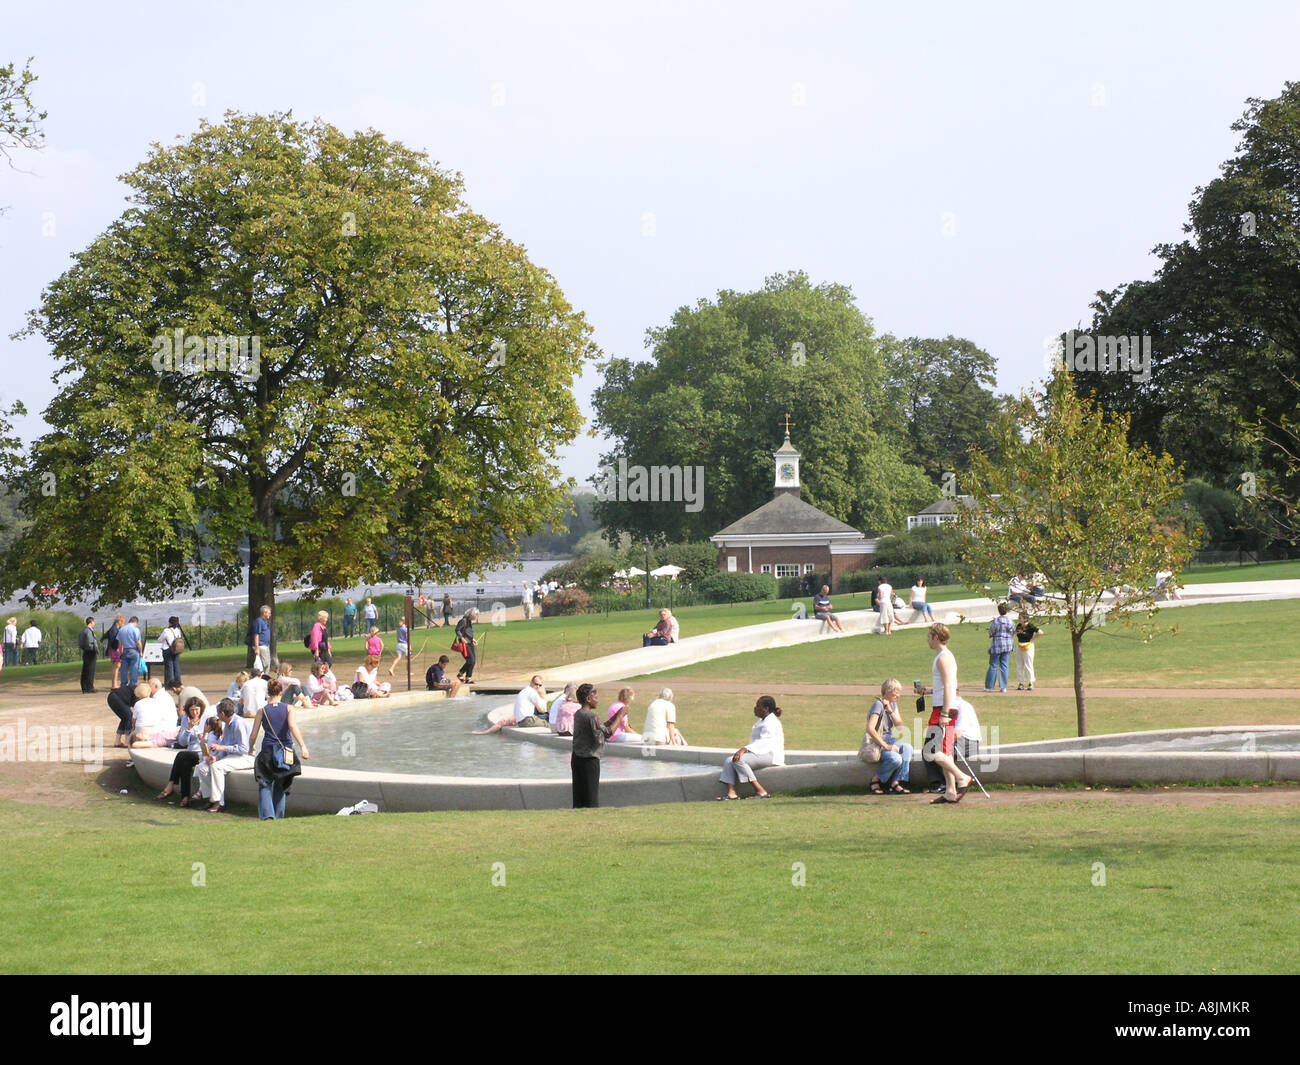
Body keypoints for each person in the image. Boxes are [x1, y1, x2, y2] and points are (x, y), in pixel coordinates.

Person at [919, 623, 973, 805]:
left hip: (944, 709)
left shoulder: (944, 658)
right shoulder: (943, 657)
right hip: (944, 707)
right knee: (945, 752)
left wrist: (945, 713)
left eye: (929, 636)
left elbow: (950, 686)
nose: (927, 639)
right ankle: (951, 791)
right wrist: (928, 691)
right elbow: (945, 687)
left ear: (935, 636)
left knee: (931, 751)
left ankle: (962, 777)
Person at [249, 679, 310, 820]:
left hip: (267, 752)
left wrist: (251, 748)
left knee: (265, 783)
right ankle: (278, 816)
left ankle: (268, 816)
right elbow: (292, 726)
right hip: (285, 752)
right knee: (281, 785)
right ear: (281, 692)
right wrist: (303, 746)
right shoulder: (289, 708)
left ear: (268, 693)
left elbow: (253, 735)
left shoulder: (262, 711)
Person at [571, 683, 627, 808]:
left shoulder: (578, 714)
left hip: (577, 758)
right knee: (591, 799)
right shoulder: (591, 716)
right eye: (595, 697)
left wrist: (615, 717)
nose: (598, 699)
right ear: (588, 699)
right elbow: (607, 733)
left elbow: (600, 726)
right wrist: (621, 715)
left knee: (579, 798)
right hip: (589, 761)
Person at [717, 696, 784, 799]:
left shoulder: (771, 722)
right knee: (729, 760)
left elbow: (764, 742)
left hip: (770, 755)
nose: (755, 708)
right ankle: (732, 794)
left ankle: (761, 792)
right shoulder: (762, 721)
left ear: (765, 709)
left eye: (758, 706)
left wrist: (744, 750)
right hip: (761, 753)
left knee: (738, 760)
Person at [197, 699, 254, 812]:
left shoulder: (238, 723)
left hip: (246, 757)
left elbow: (244, 748)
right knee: (202, 767)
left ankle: (219, 803)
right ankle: (211, 799)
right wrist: (217, 757)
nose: (217, 717)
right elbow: (224, 744)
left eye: (218, 714)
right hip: (233, 756)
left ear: (222, 714)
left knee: (216, 767)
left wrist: (222, 749)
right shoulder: (228, 725)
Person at [861, 679, 912, 795]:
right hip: (879, 743)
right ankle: (875, 780)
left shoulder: (893, 705)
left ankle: (896, 782)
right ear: (888, 691)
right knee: (895, 759)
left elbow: (900, 727)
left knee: (907, 748)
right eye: (896, 692)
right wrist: (886, 746)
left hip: (891, 740)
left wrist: (890, 711)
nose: (898, 695)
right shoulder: (878, 705)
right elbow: (870, 728)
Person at [156, 699, 206, 806]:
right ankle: (185, 797)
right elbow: (182, 743)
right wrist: (188, 729)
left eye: (197, 710)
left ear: (201, 709)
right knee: (184, 764)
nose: (195, 713)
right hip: (191, 753)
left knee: (181, 755)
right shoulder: (185, 719)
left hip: (203, 752)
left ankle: (170, 785)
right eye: (192, 710)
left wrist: (203, 737)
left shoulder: (206, 719)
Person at [474, 676, 549, 734]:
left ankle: (483, 733)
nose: (538, 687)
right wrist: (543, 697)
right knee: (548, 724)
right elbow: (542, 710)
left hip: (521, 721)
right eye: (536, 684)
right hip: (528, 720)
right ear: (531, 683)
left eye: (540, 685)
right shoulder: (532, 692)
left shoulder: (525, 690)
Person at [984, 602, 1015, 693]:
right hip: (1008, 644)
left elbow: (991, 633)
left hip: (997, 644)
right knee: (1004, 665)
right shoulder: (1010, 621)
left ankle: (989, 687)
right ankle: (1003, 687)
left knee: (993, 665)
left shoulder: (996, 621)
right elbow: (1013, 632)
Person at [107, 679, 143, 747]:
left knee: (125, 718)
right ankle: (127, 741)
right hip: (115, 697)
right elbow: (137, 709)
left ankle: (117, 741)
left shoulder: (138, 690)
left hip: (112, 697)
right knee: (129, 716)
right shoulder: (139, 693)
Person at [1015, 610, 1042, 691]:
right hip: (1020, 646)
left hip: (1028, 646)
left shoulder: (1030, 626)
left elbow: (1040, 632)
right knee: (1020, 665)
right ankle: (1021, 683)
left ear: (1025, 618)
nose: (1019, 619)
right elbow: (1016, 633)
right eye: (1019, 617)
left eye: (1020, 617)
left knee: (1028, 665)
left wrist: (1032, 640)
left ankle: (1031, 682)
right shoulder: (1019, 625)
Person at [159, 615, 185, 686]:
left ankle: (170, 683)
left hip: (167, 649)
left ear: (170, 623)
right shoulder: (178, 630)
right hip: (176, 650)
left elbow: (160, 639)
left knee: (169, 667)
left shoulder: (166, 630)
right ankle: (178, 682)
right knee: (176, 666)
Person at [455, 609, 479, 682]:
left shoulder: (469, 621)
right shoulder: (463, 620)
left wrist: (473, 639)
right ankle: (460, 673)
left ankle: (468, 678)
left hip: (470, 642)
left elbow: (468, 632)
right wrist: (462, 638)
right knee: (470, 660)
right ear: (471, 615)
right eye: (476, 615)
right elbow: (457, 630)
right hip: (464, 643)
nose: (476, 617)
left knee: (473, 661)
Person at [79, 616, 99, 693]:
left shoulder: (83, 631)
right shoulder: (89, 631)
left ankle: (84, 687)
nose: (94, 623)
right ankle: (90, 687)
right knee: (90, 670)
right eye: (93, 622)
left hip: (85, 652)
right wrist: (93, 649)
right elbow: (90, 642)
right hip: (90, 652)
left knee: (85, 670)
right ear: (90, 622)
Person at [251, 605, 273, 674]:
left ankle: (264, 677)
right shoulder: (259, 621)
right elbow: (256, 635)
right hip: (261, 646)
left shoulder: (265, 621)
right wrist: (257, 647)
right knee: (265, 664)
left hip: (265, 646)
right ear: (264, 613)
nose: (270, 614)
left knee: (267, 663)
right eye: (269, 613)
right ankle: (264, 678)